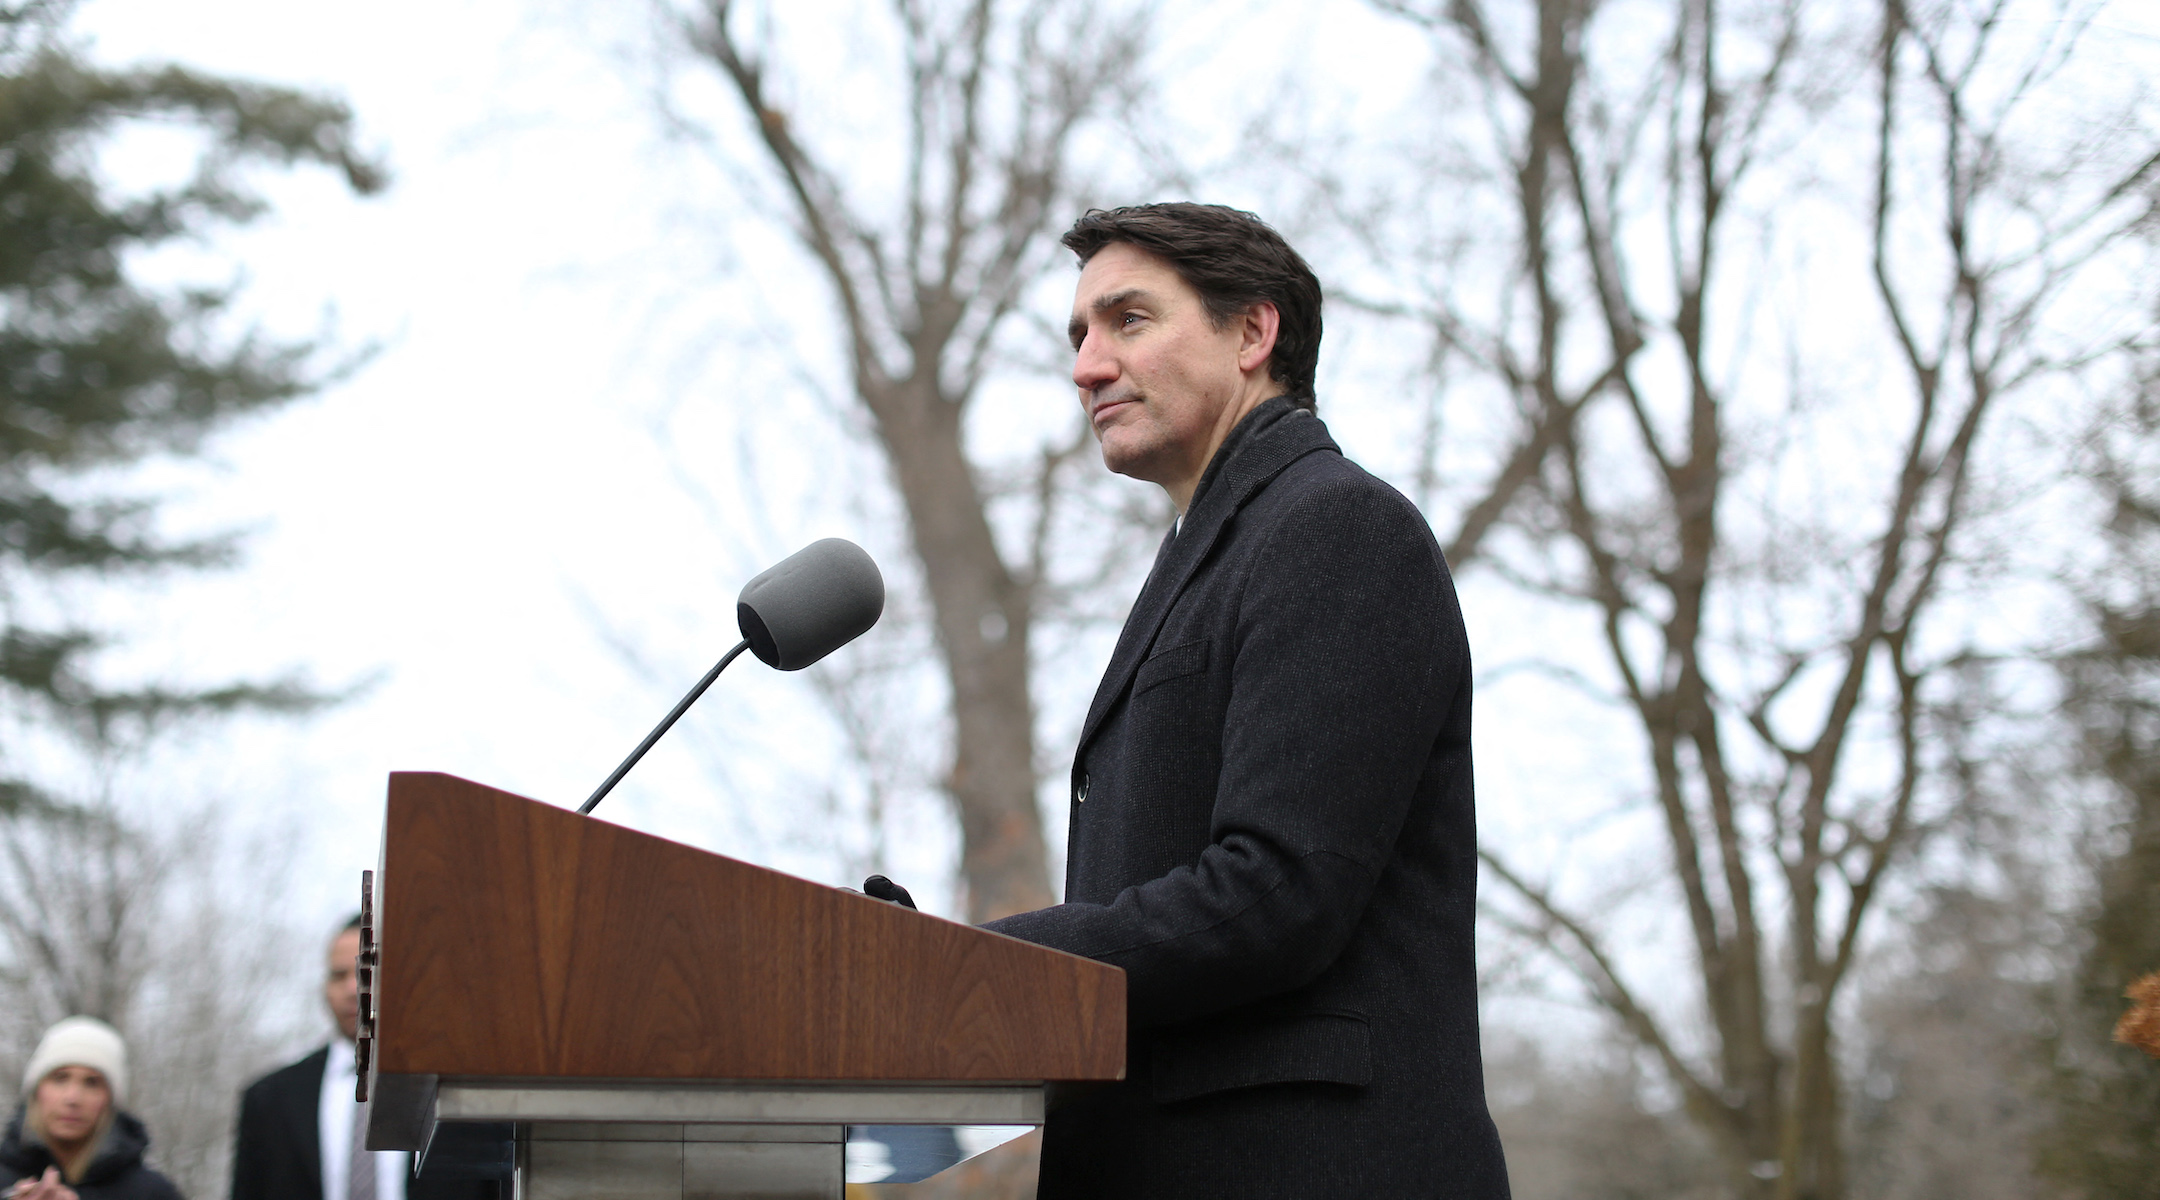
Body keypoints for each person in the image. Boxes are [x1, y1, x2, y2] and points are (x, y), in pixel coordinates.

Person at [979, 203, 1512, 1197]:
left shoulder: (1338, 529)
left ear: (1253, 334)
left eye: (1128, 320)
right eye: (1080, 335)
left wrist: (980, 967)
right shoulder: (1210, 556)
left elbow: (1276, 892)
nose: (1087, 366)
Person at [230, 918, 495, 1200]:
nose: (350, 990)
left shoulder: (464, 1091)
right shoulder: (270, 1100)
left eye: (366, 972)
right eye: (338, 975)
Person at [1, 1016, 183, 1200]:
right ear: (37, 1090)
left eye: (92, 1083)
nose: (73, 1098)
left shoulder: (153, 1193)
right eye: (60, 1078)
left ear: (110, 1100)